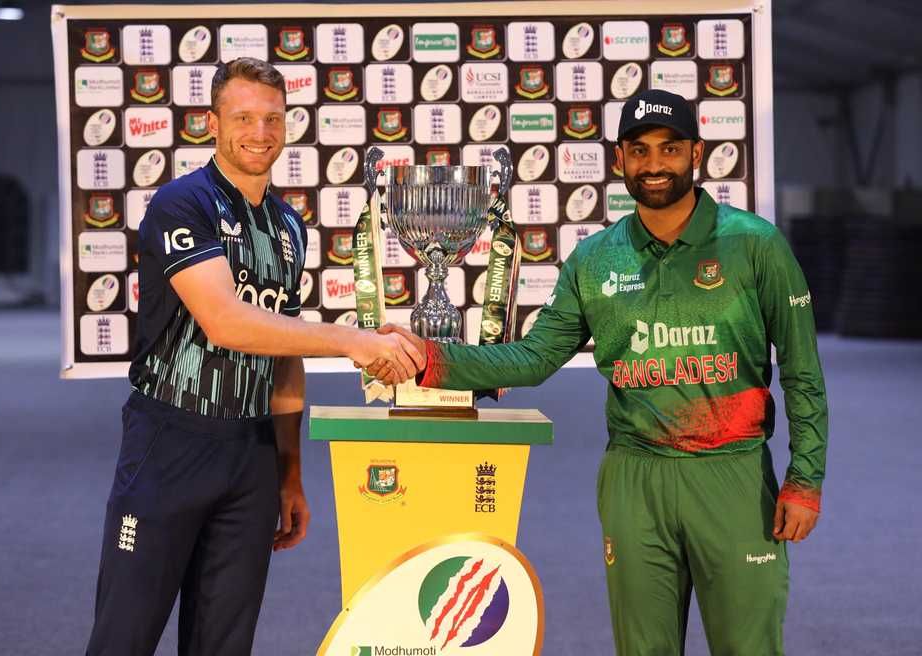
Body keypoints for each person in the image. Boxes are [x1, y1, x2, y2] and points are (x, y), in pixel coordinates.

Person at [367, 88, 828, 656]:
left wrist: (805, 479)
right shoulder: (595, 258)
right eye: (639, 150)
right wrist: (431, 358)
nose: (654, 164)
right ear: (619, 160)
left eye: (670, 148)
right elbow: (535, 357)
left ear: (697, 153)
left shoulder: (755, 245)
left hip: (732, 476)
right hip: (634, 478)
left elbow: (803, 372)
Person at [85, 57, 423, 656]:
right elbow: (227, 322)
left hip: (251, 455)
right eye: (242, 117)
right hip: (170, 442)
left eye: (272, 118)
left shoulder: (289, 226)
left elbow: (282, 352)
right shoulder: (181, 204)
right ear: (212, 123)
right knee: (124, 638)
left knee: (224, 645)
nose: (259, 132)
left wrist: (288, 473)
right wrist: (353, 340)